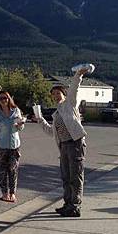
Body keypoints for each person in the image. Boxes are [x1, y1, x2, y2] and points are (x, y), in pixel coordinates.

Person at [38, 67, 90, 217]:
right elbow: (51, 132)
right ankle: (67, 204)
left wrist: (78, 74)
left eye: (58, 93)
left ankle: (75, 206)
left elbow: (74, 88)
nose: (55, 95)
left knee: (76, 176)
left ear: (63, 94)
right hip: (64, 146)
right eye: (53, 94)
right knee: (66, 177)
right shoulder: (56, 114)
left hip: (75, 144)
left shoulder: (70, 104)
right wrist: (40, 120)